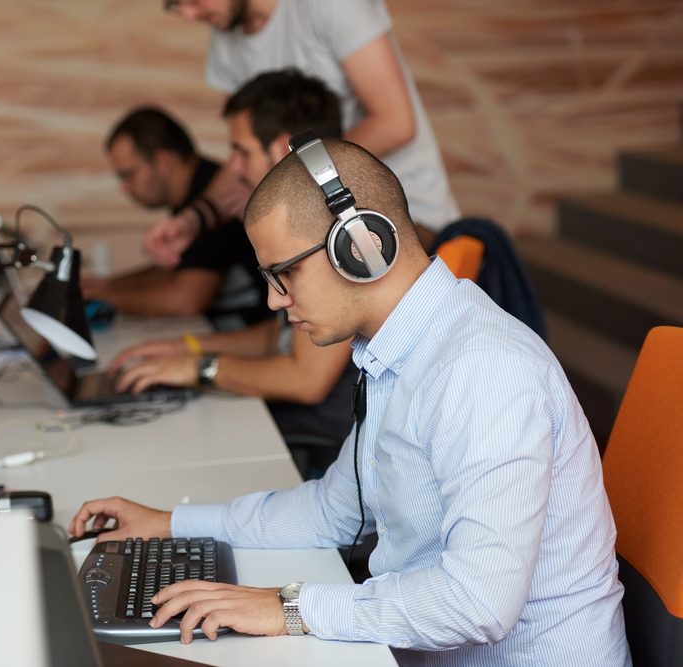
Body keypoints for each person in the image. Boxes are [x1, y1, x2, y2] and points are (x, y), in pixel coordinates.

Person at [70, 139, 629, 665]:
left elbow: (477, 603)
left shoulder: (482, 370)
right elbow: (333, 510)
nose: (272, 299)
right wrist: (173, 523)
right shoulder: (394, 352)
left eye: (284, 273)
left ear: (361, 246)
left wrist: (288, 607)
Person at [111, 70, 358, 476]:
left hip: (334, 442)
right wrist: (187, 347)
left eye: (241, 152)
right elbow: (279, 335)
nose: (234, 168)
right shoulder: (303, 217)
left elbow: (304, 379)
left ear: (282, 148)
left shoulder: (335, 233)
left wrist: (200, 368)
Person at [146, 0, 460, 264]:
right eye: (176, 5)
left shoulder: (329, 5)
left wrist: (289, 175)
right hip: (325, 229)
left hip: (410, 223)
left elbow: (395, 123)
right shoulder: (225, 40)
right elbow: (249, 151)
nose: (188, 14)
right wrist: (195, 218)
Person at [87, 107, 271, 331]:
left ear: (163, 161)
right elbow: (178, 267)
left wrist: (100, 298)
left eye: (128, 175)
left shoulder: (210, 193)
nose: (124, 188)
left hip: (258, 335)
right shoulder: (196, 193)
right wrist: (107, 285)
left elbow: (187, 299)